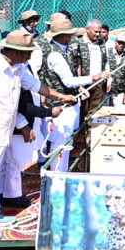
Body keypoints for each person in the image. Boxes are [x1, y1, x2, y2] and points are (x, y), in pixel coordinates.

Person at [0, 30, 74, 244]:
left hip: (0, 134)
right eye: (27, 52)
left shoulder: (18, 68)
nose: (30, 56)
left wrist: (61, 96)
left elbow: (37, 86)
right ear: (14, 50)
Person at [43, 19, 109, 171]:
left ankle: (61, 171)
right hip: (61, 107)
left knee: (66, 142)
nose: (71, 37)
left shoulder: (63, 51)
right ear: (63, 36)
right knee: (61, 143)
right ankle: (58, 175)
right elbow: (68, 81)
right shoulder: (55, 54)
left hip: (68, 105)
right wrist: (94, 77)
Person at [0, 68, 61, 208]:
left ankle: (3, 192)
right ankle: (12, 195)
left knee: (10, 162)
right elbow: (14, 104)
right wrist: (23, 125)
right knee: (14, 161)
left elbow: (36, 86)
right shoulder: (8, 70)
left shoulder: (24, 65)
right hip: (15, 124)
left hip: (25, 120)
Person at [78, 19, 109, 119]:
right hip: (84, 82)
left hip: (99, 83)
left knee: (95, 111)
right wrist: (79, 84)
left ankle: (91, 131)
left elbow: (106, 61)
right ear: (88, 29)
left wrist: (108, 80)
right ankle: (81, 133)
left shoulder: (101, 43)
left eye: (99, 32)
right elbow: (76, 65)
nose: (98, 34)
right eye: (95, 31)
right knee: (82, 111)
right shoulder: (79, 43)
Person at [106, 32, 125, 105]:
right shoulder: (107, 52)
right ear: (115, 42)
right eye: (119, 42)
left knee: (117, 112)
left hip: (120, 91)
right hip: (106, 89)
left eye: (123, 43)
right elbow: (106, 69)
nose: (121, 45)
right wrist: (109, 82)